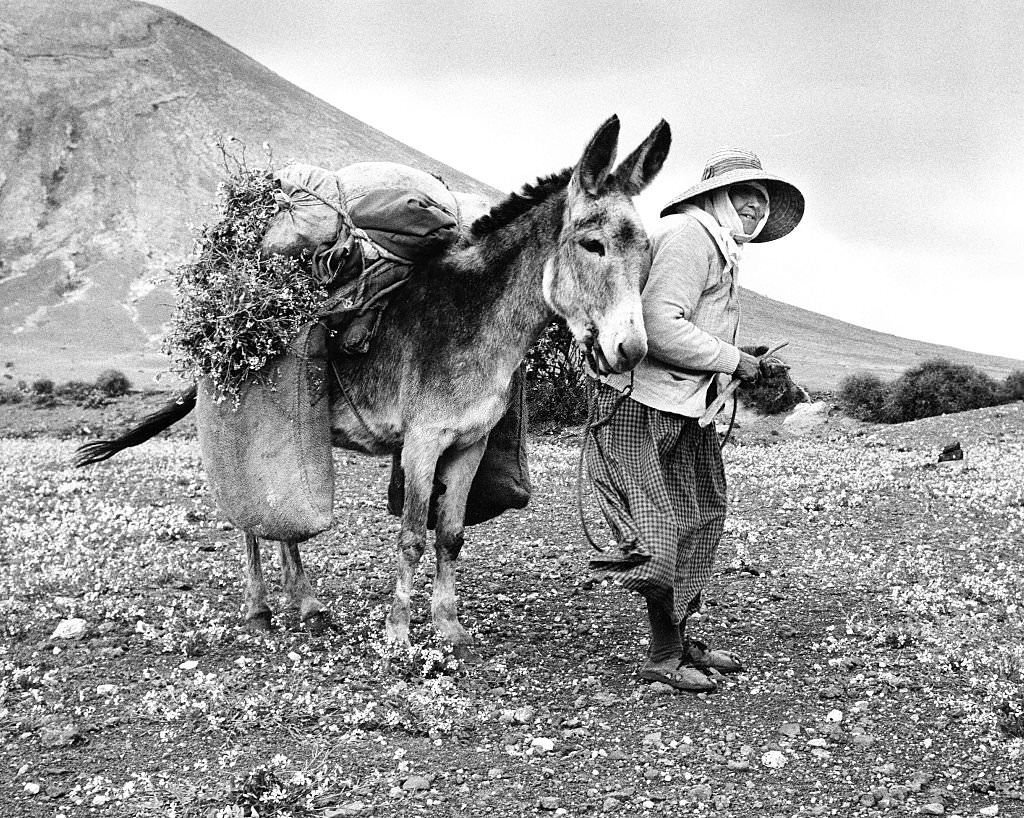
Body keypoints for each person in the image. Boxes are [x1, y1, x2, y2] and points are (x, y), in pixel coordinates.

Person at [585, 147, 804, 692]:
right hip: (642, 406)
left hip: (684, 408)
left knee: (701, 514)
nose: (755, 207)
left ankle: (679, 640)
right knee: (660, 528)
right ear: (714, 196)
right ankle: (663, 655)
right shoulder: (689, 236)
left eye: (762, 199)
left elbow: (688, 325)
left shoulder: (717, 244)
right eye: (745, 195)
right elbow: (658, 325)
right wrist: (736, 360)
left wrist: (735, 353)